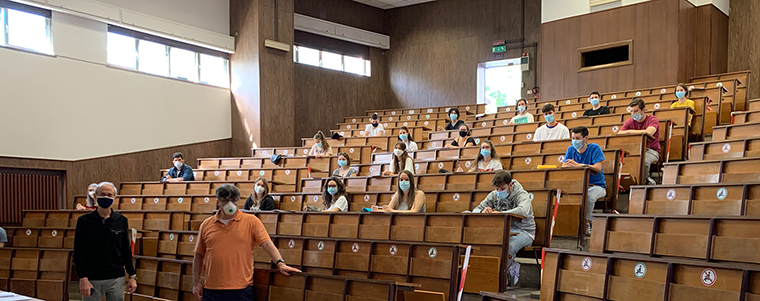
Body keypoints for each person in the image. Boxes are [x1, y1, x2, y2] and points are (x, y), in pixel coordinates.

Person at [193, 184, 301, 301]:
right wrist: (196, 283)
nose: (230, 204)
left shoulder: (252, 221)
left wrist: (280, 263)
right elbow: (199, 254)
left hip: (240, 289)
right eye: (225, 200)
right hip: (211, 288)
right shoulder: (206, 224)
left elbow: (267, 243)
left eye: (233, 200)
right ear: (218, 202)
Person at [74, 182, 137, 301]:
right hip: (91, 278)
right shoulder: (84, 221)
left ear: (115, 198)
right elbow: (78, 251)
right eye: (102, 194)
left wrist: (132, 276)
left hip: (116, 277)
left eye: (109, 195)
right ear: (95, 196)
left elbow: (126, 250)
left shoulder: (121, 220)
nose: (106, 197)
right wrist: (83, 278)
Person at [472, 170, 535, 286]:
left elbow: (523, 210)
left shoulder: (522, 194)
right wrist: (483, 210)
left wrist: (500, 213)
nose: (498, 192)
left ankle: (499, 279)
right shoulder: (493, 195)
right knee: (485, 242)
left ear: (510, 185)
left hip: (525, 232)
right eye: (496, 189)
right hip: (504, 230)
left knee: (509, 246)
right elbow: (475, 210)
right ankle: (485, 276)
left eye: (502, 189)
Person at [562, 126, 606, 235]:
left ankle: (586, 223)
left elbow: (597, 168)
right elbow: (564, 165)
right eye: (573, 138)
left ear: (585, 138)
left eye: (577, 138)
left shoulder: (594, 148)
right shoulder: (570, 149)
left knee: (589, 197)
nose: (574, 141)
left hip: (597, 185)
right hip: (578, 185)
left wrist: (579, 165)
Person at [618, 98, 660, 185]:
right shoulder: (629, 122)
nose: (633, 114)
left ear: (643, 110)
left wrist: (629, 132)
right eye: (631, 111)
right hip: (635, 150)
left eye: (636, 111)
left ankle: (643, 183)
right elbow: (620, 133)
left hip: (651, 151)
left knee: (643, 161)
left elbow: (649, 132)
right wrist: (628, 131)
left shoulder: (652, 119)